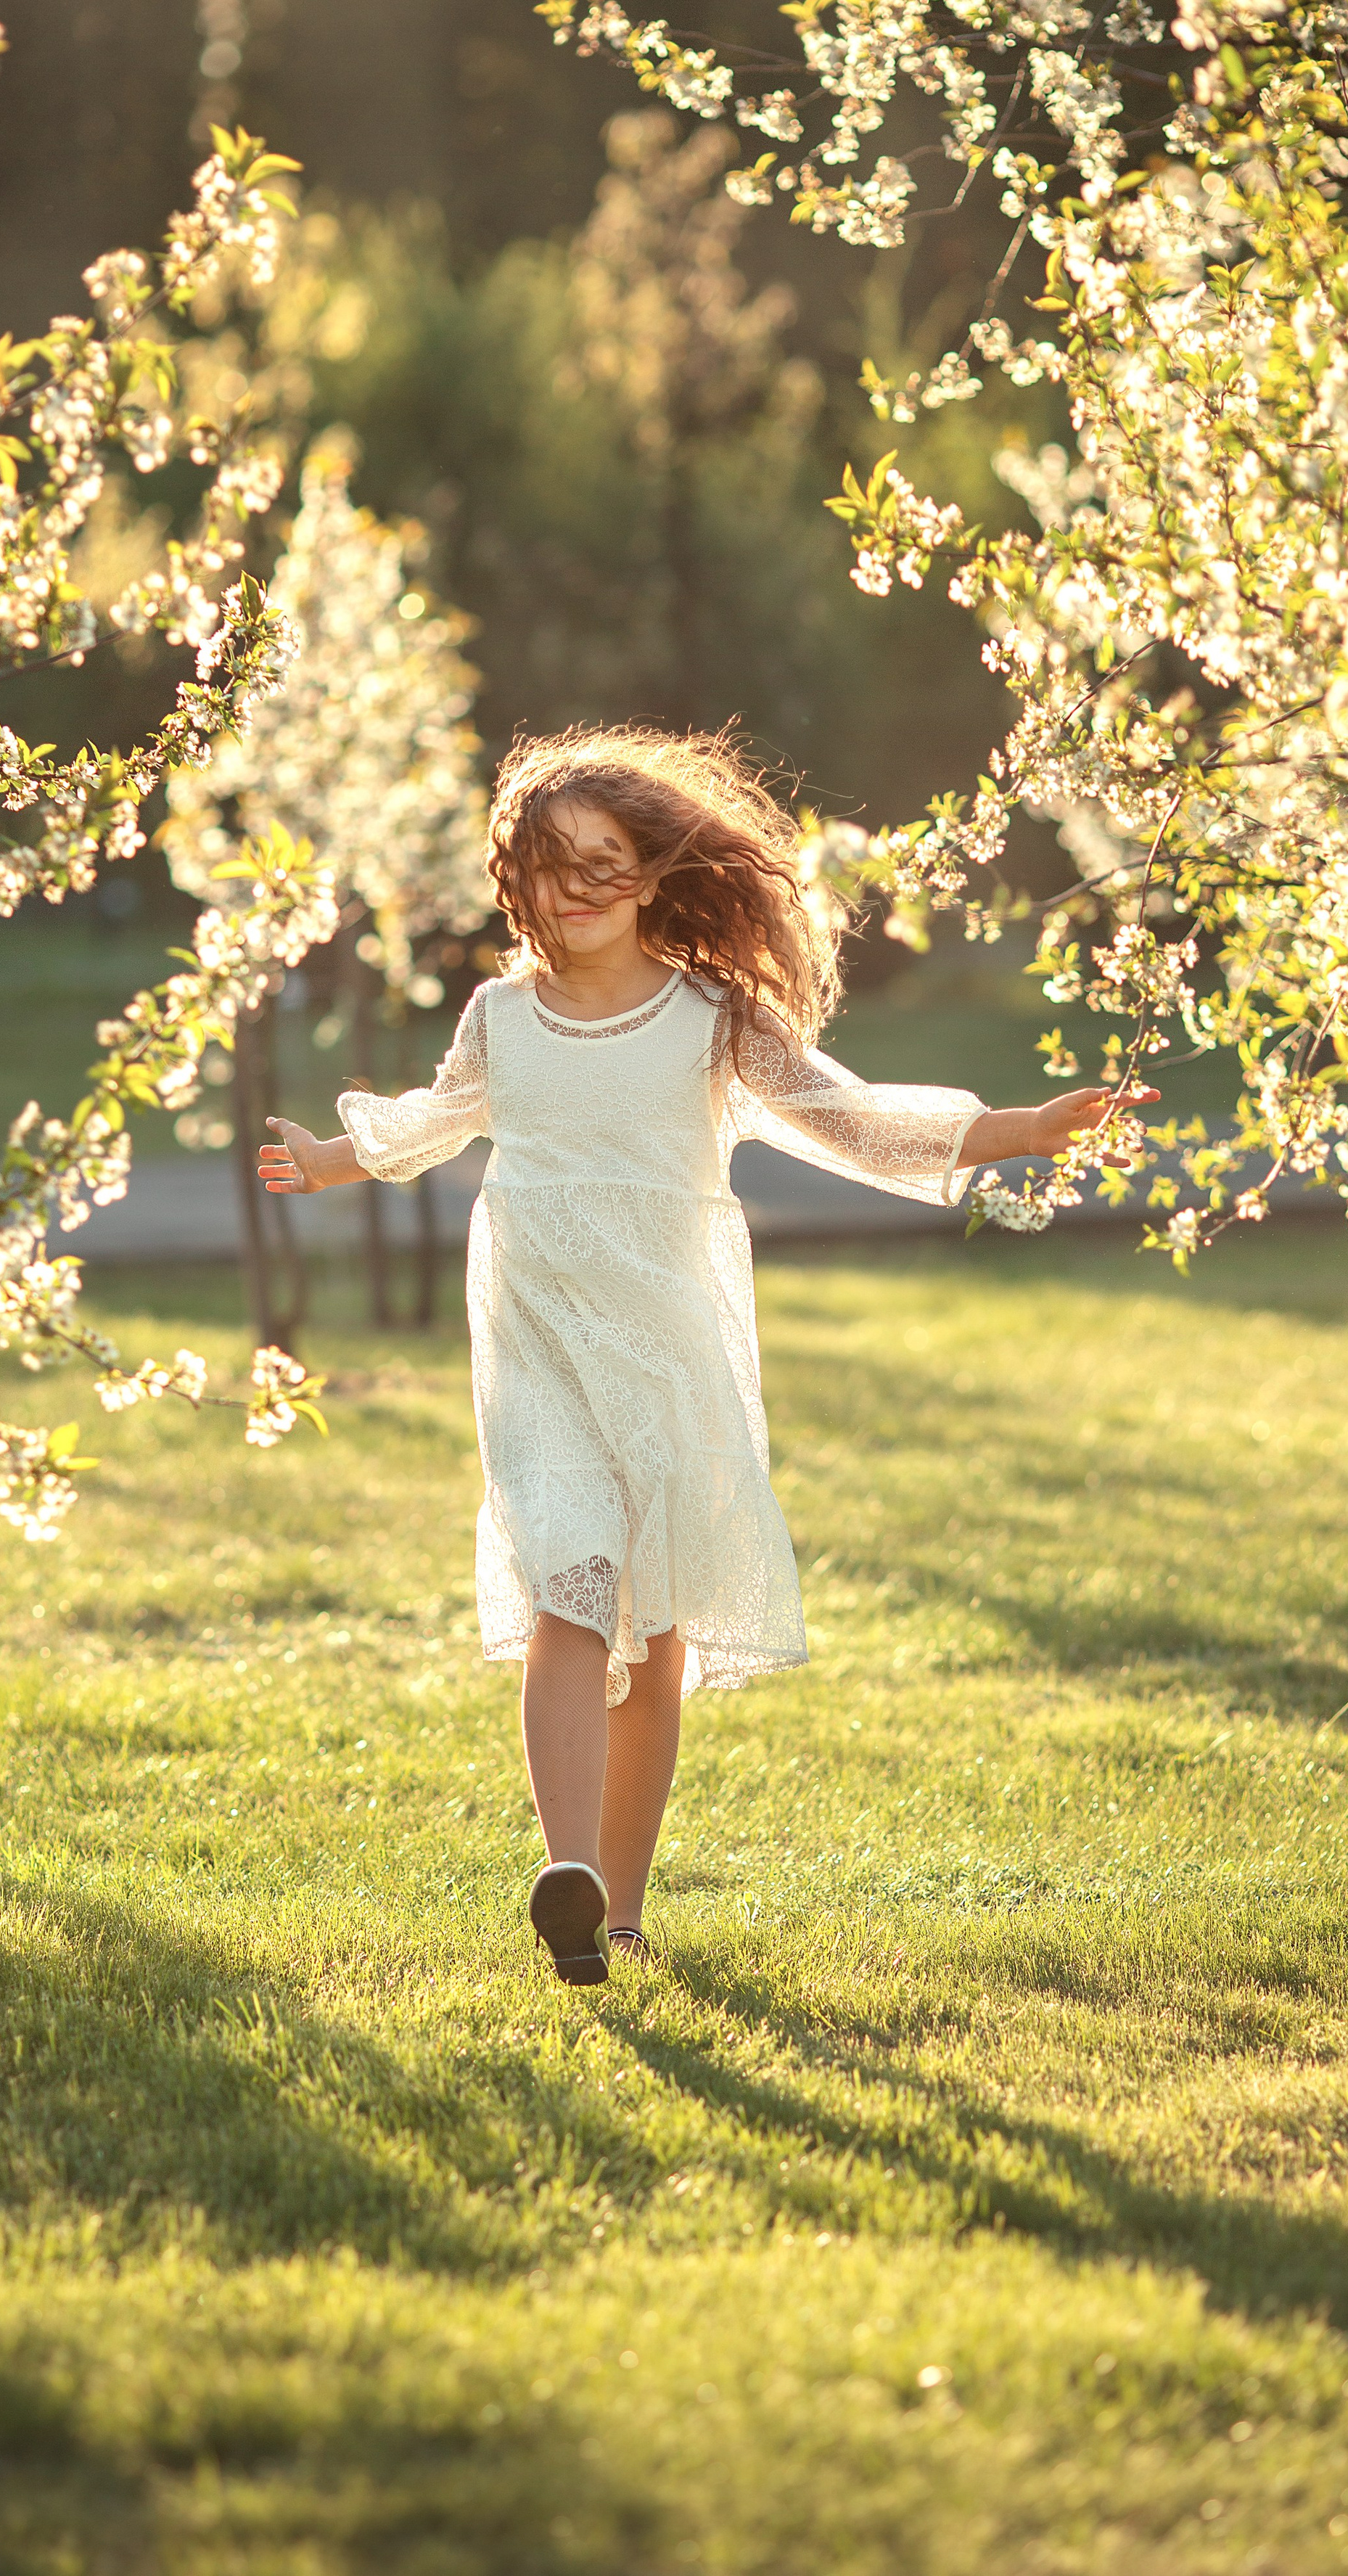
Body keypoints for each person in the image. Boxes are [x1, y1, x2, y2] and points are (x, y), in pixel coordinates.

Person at [259, 727, 1151, 1985]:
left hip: (666, 1348)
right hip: (538, 1344)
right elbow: (435, 1121)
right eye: (554, 866)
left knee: (655, 1632)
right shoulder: (501, 1019)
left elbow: (852, 1120)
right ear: (515, 878)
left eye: (606, 864)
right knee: (566, 1584)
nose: (578, 892)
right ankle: (565, 1870)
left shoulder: (711, 1017)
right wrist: (331, 1156)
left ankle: (619, 1915)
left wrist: (1020, 1129)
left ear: (653, 875)